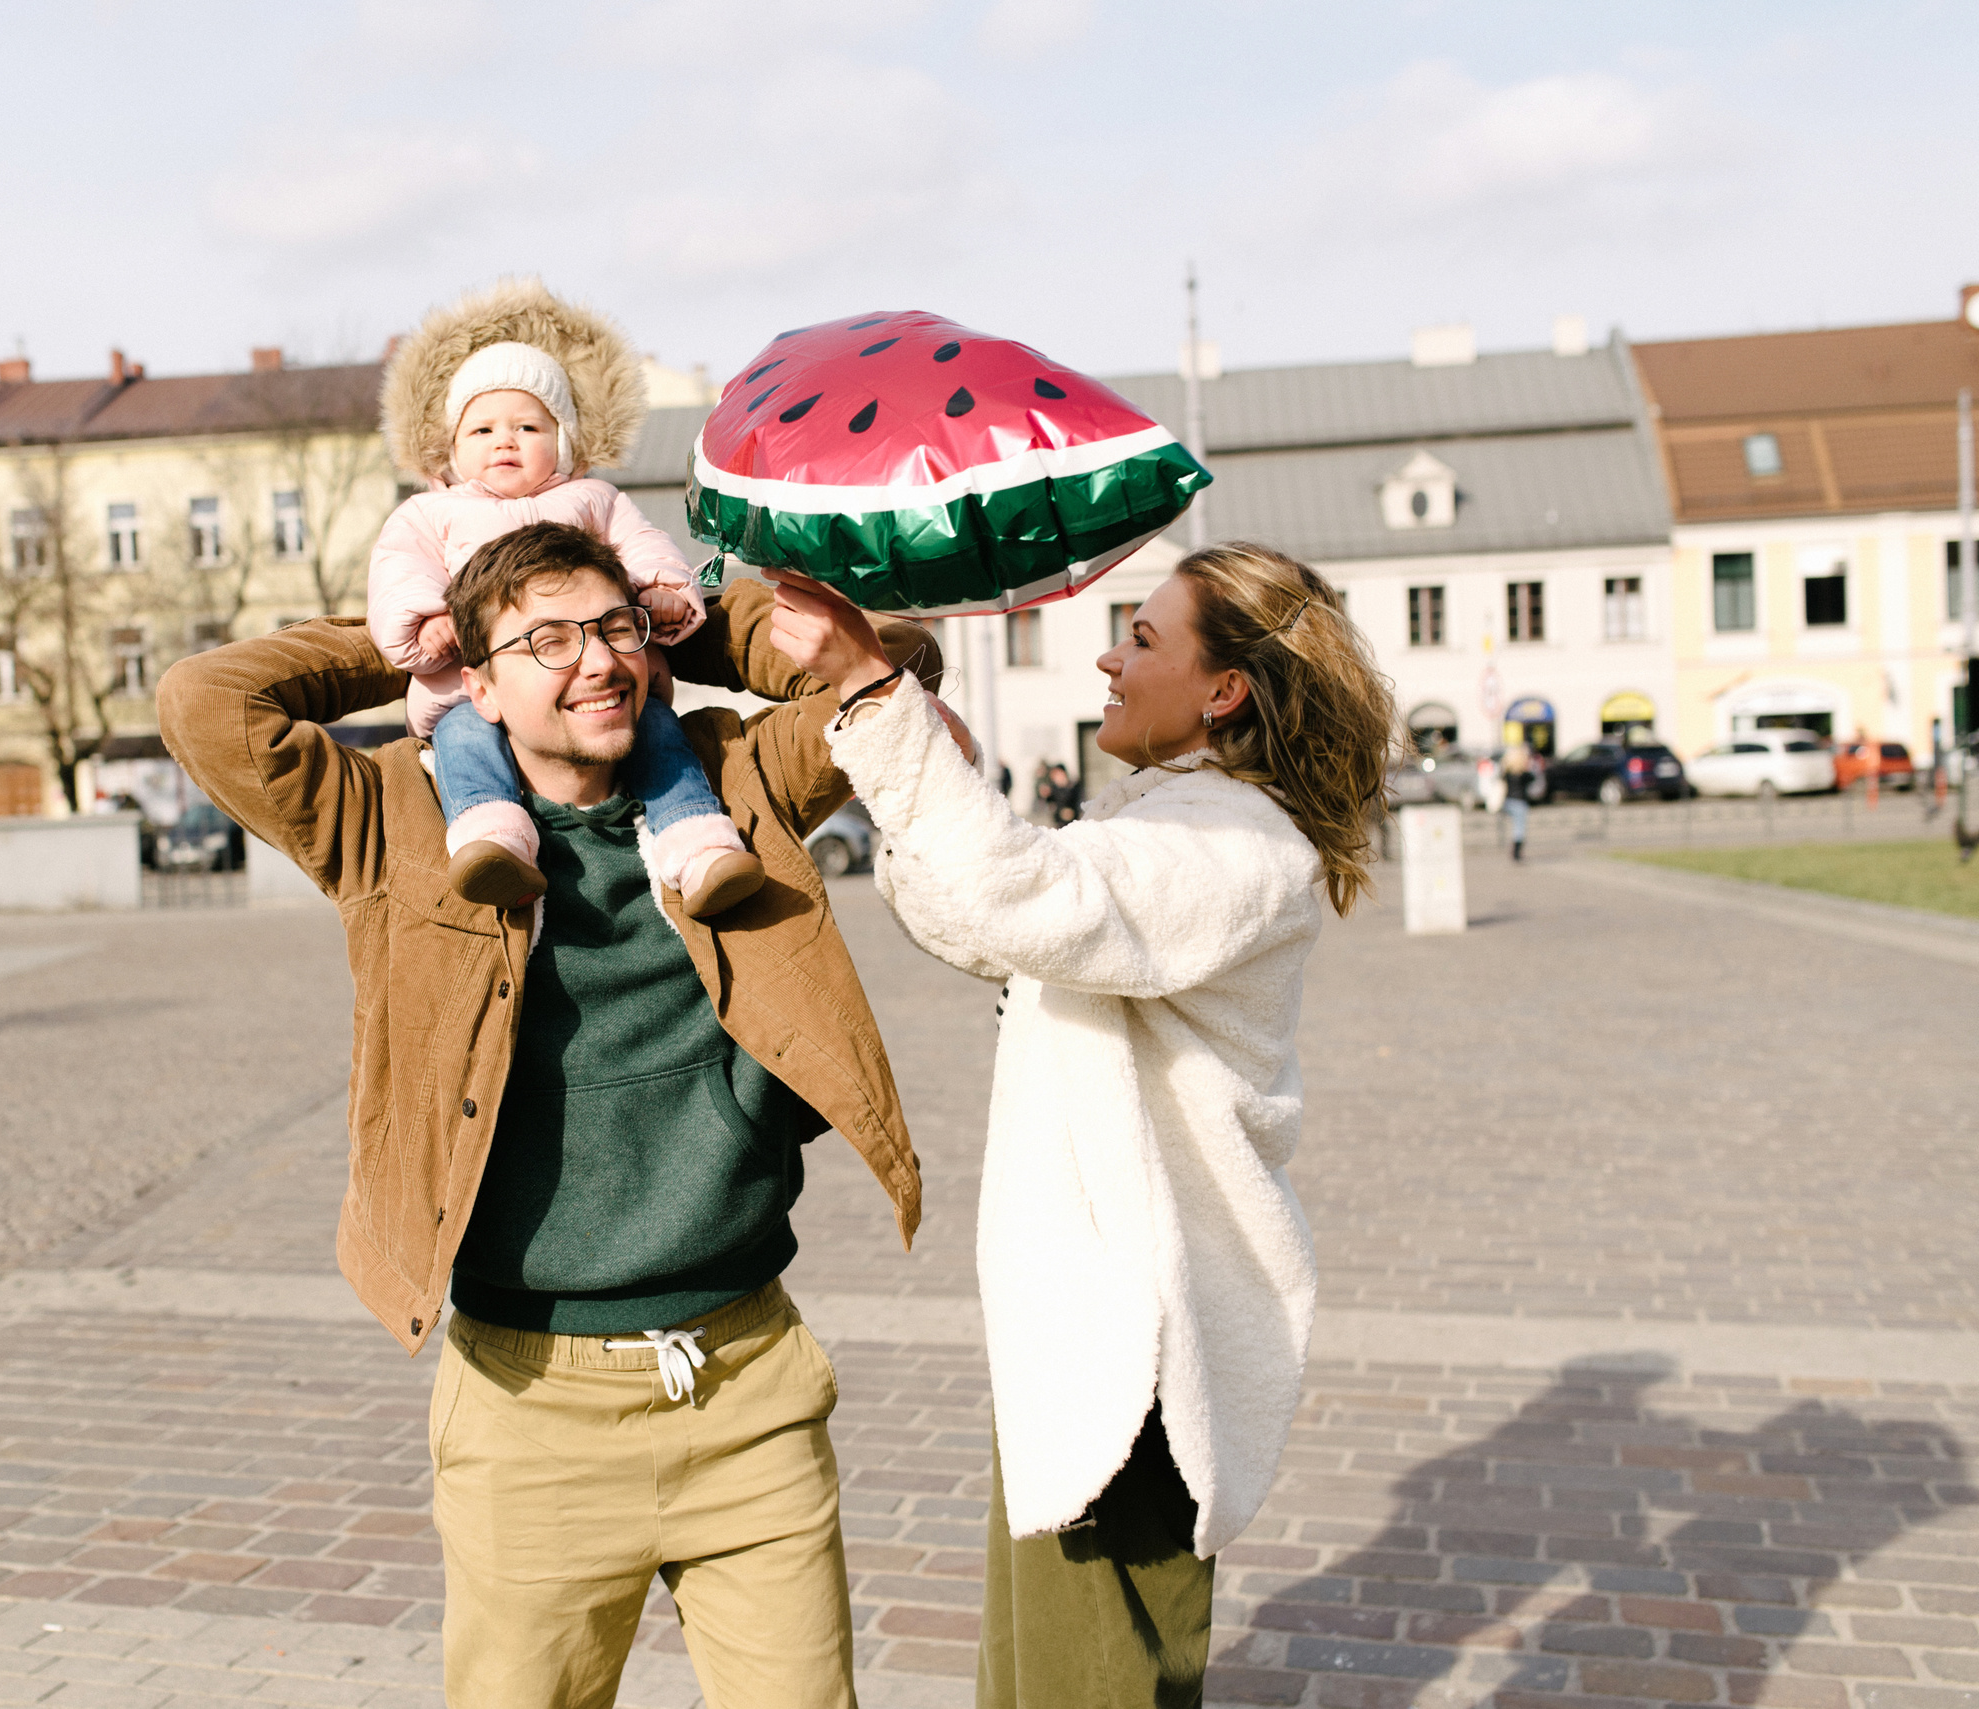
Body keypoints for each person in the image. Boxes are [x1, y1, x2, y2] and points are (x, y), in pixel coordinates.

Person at [158, 521, 940, 1708]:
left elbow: (896, 666)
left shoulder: (735, 779)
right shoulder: (392, 818)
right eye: (549, 640)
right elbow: (205, 702)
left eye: (614, 629)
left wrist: (687, 620)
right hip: (533, 1417)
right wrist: (410, 642)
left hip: (749, 1388)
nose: (598, 662)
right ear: (478, 679)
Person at [763, 541, 1396, 1709]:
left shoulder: (1231, 837)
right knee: (1041, 1672)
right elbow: (994, 923)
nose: (1109, 655)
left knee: (1086, 1681)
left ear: (1225, 690)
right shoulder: (1178, 817)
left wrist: (871, 692)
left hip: (1137, 1336)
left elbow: (1031, 901)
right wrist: (925, 768)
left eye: (1145, 638)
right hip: (1094, 1313)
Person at [369, 278, 764, 916]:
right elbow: (396, 572)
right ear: (448, 448)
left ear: (564, 441)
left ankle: (698, 844)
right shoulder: (432, 513)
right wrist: (426, 621)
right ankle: (493, 841)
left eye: (528, 425)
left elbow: (642, 545)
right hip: (469, 687)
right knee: (463, 739)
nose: (505, 440)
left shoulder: (591, 499)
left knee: (660, 735)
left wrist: (663, 590)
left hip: (593, 696)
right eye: (482, 430)